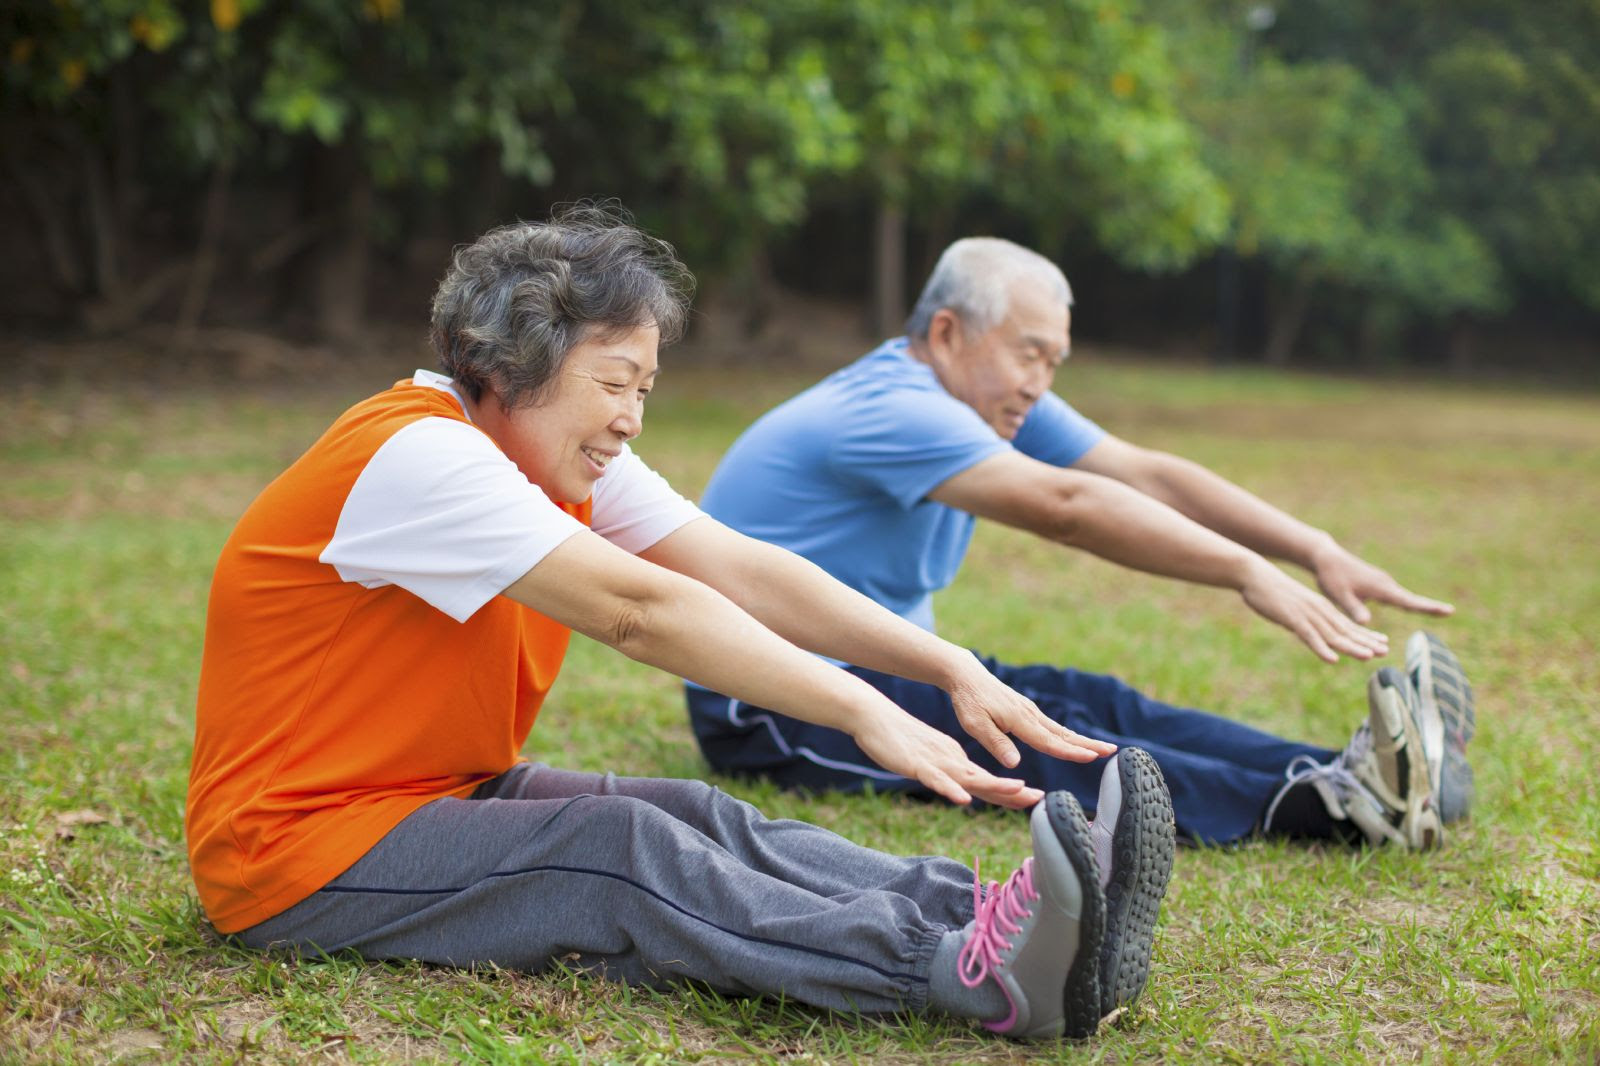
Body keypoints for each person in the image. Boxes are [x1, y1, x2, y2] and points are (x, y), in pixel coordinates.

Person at [184, 207, 1180, 1042]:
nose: (631, 418)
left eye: (644, 390)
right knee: (616, 847)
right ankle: (974, 972)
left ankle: (993, 914)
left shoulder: (552, 455)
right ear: (515, 361)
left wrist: (944, 663)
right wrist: (855, 705)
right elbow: (638, 609)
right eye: (614, 383)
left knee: (695, 814)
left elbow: (739, 566)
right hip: (293, 855)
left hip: (424, 791)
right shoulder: (419, 456)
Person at [686, 236, 1478, 850]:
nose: (1040, 381)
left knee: (1095, 703)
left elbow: (1144, 474)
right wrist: (1242, 571)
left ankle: (1358, 770)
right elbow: (1067, 505)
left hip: (886, 663)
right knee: (1047, 740)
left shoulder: (987, 397)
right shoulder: (894, 408)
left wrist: (1313, 547)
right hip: (770, 703)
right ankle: (1330, 807)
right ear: (949, 332)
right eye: (1029, 352)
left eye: (1054, 361)